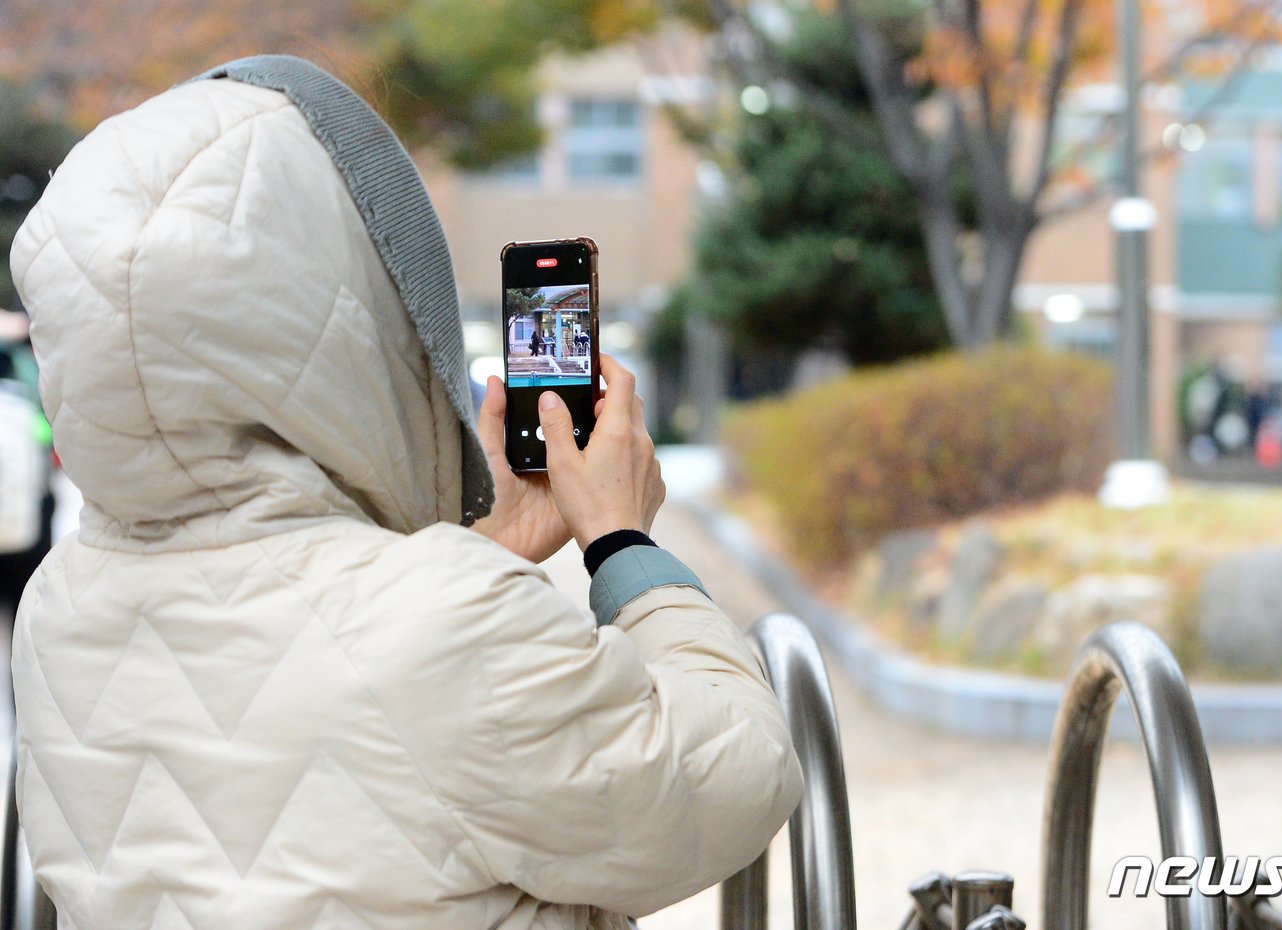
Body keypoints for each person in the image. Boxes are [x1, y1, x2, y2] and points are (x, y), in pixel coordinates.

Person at [7, 56, 802, 930]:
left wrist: (473, 555)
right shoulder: (439, 623)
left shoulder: (56, 610)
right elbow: (733, 780)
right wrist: (620, 543)